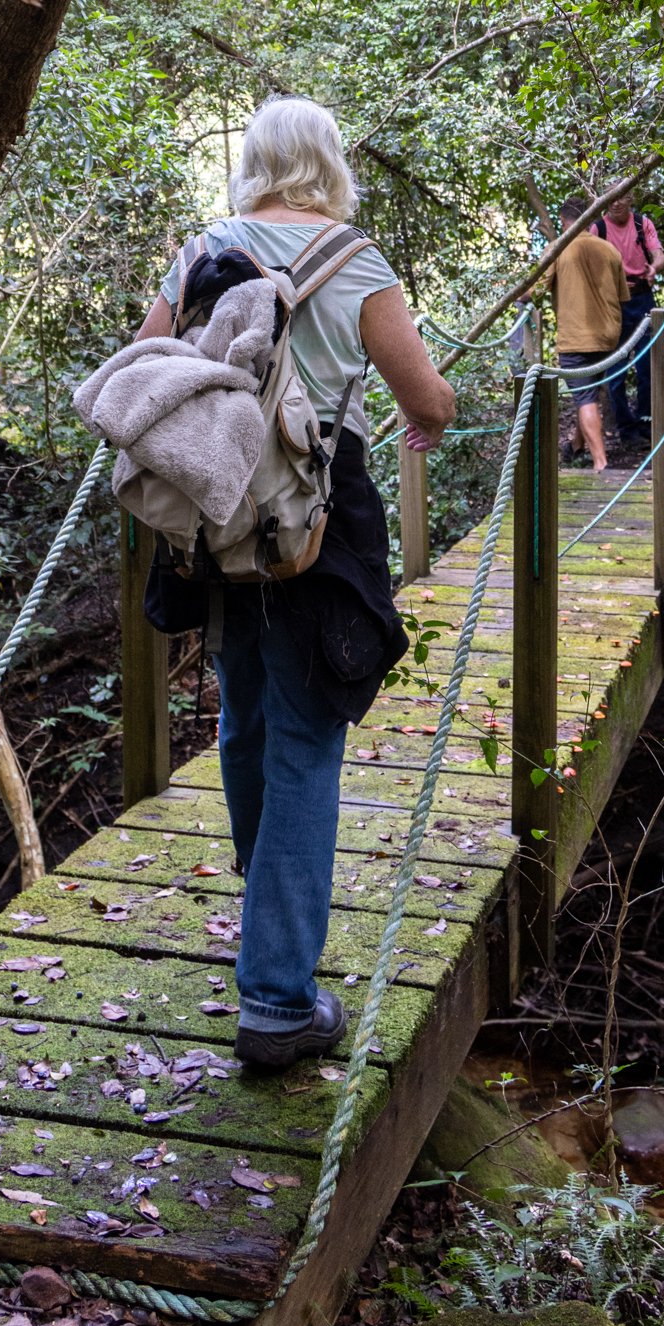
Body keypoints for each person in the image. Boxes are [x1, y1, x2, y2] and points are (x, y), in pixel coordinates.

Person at [132, 98, 455, 1071]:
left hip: (219, 507)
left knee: (245, 708)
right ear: (326, 165)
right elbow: (425, 394)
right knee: (308, 744)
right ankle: (276, 1001)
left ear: (254, 163)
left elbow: (146, 365)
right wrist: (431, 420)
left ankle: (266, 892)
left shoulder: (204, 249)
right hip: (319, 520)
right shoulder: (354, 258)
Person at [551, 193, 627, 472]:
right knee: (590, 393)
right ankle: (576, 446)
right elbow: (622, 295)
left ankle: (600, 462)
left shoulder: (559, 248)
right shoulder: (609, 249)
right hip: (608, 336)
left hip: (575, 340)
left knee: (585, 398)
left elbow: (532, 290)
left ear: (563, 221)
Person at [593, 191, 664, 436]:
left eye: (622, 197)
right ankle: (625, 427)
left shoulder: (642, 223)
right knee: (616, 368)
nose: (616, 202)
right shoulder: (598, 228)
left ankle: (646, 423)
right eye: (611, 197)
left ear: (631, 199)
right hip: (614, 303)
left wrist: (653, 268)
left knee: (647, 365)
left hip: (643, 297)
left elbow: (659, 254)